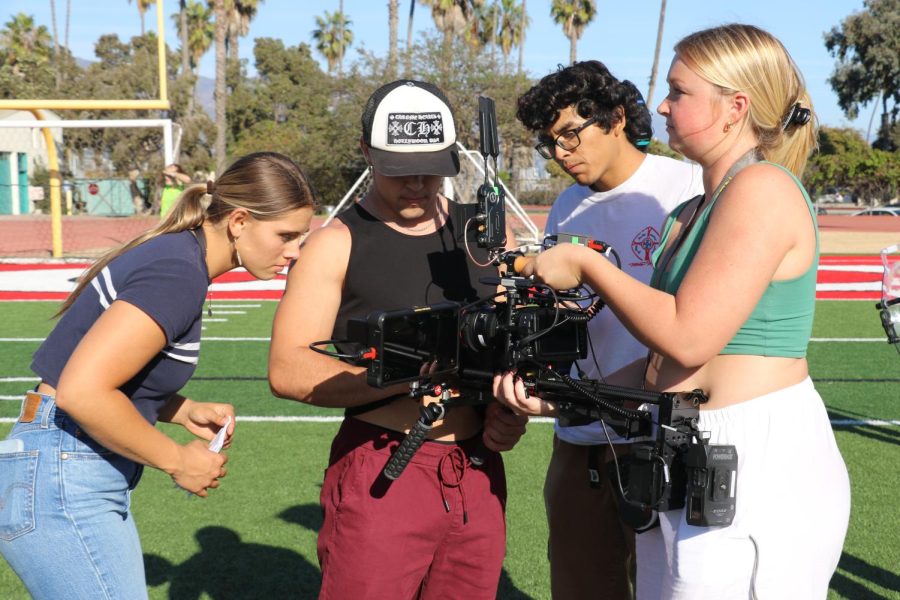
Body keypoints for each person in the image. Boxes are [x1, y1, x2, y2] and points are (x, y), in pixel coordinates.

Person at [494, 24, 850, 599]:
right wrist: (564, 398)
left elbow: (688, 339)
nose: (660, 104)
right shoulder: (692, 208)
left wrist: (588, 266)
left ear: (735, 107)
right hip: (686, 447)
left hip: (754, 456)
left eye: (679, 91)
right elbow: (663, 366)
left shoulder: (762, 189)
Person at [0, 152, 317, 599]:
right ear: (240, 221)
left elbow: (101, 373)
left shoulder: (179, 256)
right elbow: (81, 392)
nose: (295, 251)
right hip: (64, 472)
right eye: (286, 235)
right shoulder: (178, 272)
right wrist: (178, 460)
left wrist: (179, 409)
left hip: (64, 468)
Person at [268, 79, 528, 599]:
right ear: (366, 153)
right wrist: (400, 376)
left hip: (476, 470)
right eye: (398, 169)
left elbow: (511, 350)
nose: (416, 183)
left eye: (430, 167)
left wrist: (508, 413)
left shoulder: (488, 235)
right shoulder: (335, 244)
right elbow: (288, 370)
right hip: (383, 463)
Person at [516, 60, 703, 599]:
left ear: (616, 117)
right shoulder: (567, 206)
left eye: (571, 133)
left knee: (666, 587)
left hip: (660, 435)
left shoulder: (684, 185)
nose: (561, 152)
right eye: (549, 142)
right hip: (578, 436)